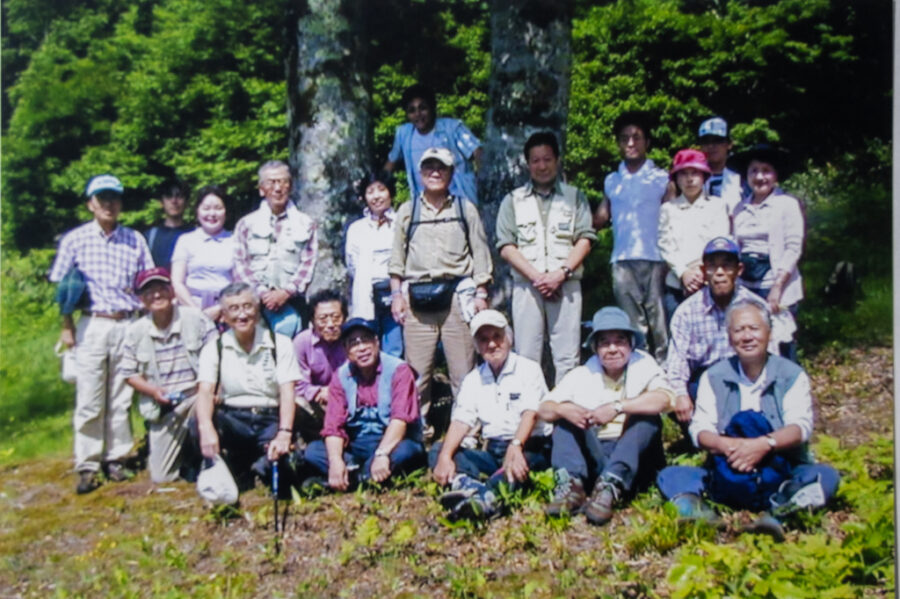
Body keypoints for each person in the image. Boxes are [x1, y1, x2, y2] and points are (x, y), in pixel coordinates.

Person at [657, 299, 840, 540]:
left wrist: (762, 445)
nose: (747, 336)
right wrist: (729, 446)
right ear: (729, 337)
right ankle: (704, 516)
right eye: (739, 330)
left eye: (754, 328)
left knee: (825, 476)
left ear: (768, 332)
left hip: (780, 469)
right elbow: (700, 429)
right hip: (729, 470)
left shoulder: (791, 374)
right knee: (669, 475)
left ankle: (779, 514)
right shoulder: (714, 376)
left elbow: (800, 427)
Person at [49, 174, 155, 494]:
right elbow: (62, 287)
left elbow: (148, 281)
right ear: (90, 204)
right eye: (102, 199)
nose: (109, 204)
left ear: (120, 203)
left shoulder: (135, 239)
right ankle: (88, 463)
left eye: (114, 198)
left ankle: (117, 457)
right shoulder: (75, 239)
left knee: (121, 396)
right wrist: (67, 328)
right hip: (93, 323)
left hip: (127, 323)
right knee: (90, 396)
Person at [539, 307, 674, 526]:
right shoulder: (583, 374)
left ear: (630, 344)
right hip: (598, 451)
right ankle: (571, 487)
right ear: (595, 348)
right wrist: (565, 410)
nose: (612, 349)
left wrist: (618, 406)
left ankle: (612, 485)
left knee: (647, 418)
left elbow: (665, 399)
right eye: (604, 342)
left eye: (619, 341)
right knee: (562, 419)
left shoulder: (644, 365)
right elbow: (543, 409)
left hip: (634, 458)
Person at [388, 147, 493, 425]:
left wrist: (481, 293)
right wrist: (396, 295)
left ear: (451, 172)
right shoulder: (407, 210)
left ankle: (468, 430)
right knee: (417, 373)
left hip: (457, 296)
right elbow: (396, 259)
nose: (435, 173)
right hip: (417, 299)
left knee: (464, 371)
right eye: (429, 168)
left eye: (441, 168)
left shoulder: (464, 208)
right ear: (420, 173)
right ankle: (416, 432)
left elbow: (481, 254)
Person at [430, 310, 552, 519]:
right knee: (438, 450)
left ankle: (481, 496)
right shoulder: (473, 379)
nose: (492, 344)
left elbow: (529, 413)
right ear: (477, 346)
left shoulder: (528, 369)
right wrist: (445, 457)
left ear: (509, 339)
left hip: (529, 446)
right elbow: (462, 420)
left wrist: (516, 445)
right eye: (484, 340)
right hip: (494, 450)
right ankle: (473, 489)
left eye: (497, 337)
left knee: (514, 471)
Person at [496, 131, 596, 385]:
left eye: (547, 159)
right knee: (527, 356)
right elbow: (506, 245)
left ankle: (566, 417)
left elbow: (585, 239)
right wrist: (538, 278)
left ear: (557, 160)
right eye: (536, 160)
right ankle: (531, 417)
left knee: (567, 357)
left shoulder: (575, 197)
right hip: (527, 286)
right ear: (528, 164)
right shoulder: (513, 200)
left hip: (566, 283)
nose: (542, 166)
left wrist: (560, 274)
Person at [665, 237, 793, 434]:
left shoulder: (756, 307)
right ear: (703, 271)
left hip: (746, 375)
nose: (719, 274)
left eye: (726, 266)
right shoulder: (687, 311)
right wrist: (681, 395)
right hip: (704, 380)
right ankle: (706, 439)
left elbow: (772, 358)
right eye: (712, 267)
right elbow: (676, 362)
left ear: (739, 270)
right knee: (678, 397)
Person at [194, 282, 300, 492]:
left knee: (284, 476)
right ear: (223, 315)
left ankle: (257, 464)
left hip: (269, 417)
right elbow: (205, 392)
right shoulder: (214, 348)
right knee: (197, 423)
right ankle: (219, 467)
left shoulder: (280, 344)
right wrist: (206, 429)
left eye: (247, 306)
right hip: (233, 419)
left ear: (257, 309)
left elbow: (288, 392)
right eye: (234, 309)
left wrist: (284, 433)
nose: (242, 315)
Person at [304, 318, 425, 490]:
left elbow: (400, 420)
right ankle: (364, 476)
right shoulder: (340, 376)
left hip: (392, 440)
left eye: (366, 340)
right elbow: (333, 426)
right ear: (346, 350)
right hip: (357, 444)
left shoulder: (399, 370)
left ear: (376, 342)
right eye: (353, 343)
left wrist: (382, 454)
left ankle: (352, 479)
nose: (361, 348)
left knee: (407, 451)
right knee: (313, 451)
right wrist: (336, 461)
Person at [121, 268, 217, 483]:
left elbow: (217, 356)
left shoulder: (196, 319)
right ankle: (185, 459)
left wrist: (210, 390)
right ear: (141, 299)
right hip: (164, 407)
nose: (156, 295)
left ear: (172, 292)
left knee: (209, 415)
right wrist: (153, 391)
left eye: (161, 289)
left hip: (197, 397)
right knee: (162, 477)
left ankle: (205, 460)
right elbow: (128, 373)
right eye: (149, 292)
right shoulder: (134, 331)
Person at [595, 111, 670, 363]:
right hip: (622, 260)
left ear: (647, 142)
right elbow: (601, 217)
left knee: (660, 324)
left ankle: (666, 379)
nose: (630, 143)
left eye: (636, 138)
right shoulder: (611, 180)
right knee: (634, 326)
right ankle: (640, 372)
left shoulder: (661, 178)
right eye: (624, 138)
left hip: (656, 259)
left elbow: (674, 219)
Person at [731, 144, 804, 359]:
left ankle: (789, 391)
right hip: (747, 287)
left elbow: (793, 246)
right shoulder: (739, 209)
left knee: (782, 348)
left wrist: (777, 286)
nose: (760, 177)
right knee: (753, 346)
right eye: (754, 171)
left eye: (766, 171)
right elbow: (737, 247)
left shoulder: (787, 205)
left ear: (775, 175)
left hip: (777, 287)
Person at [233, 160, 317, 338]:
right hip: (254, 302)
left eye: (283, 182)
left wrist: (286, 292)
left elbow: (308, 263)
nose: (278, 188)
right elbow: (240, 263)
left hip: (294, 302)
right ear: (261, 189)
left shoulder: (306, 223)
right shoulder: (246, 224)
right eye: (271, 182)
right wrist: (262, 293)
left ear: (291, 186)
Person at [658, 148, 730, 320]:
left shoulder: (717, 206)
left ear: (704, 176)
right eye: (683, 174)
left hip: (708, 282)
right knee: (678, 335)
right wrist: (684, 273)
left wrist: (699, 272)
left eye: (695, 173)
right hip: (677, 283)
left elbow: (720, 241)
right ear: (676, 178)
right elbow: (664, 245)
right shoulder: (668, 209)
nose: (689, 179)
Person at [384, 83, 483, 203]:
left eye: (423, 108)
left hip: (459, 200)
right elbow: (390, 164)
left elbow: (477, 151)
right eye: (412, 110)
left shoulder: (452, 128)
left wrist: (482, 182)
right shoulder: (404, 134)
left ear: (432, 108)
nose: (418, 114)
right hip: (423, 205)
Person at [345, 170, 403, 356]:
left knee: (395, 348)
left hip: (397, 295)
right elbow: (351, 263)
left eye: (381, 190)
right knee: (368, 348)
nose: (376, 196)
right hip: (367, 296)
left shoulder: (401, 223)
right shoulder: (356, 229)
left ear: (390, 193)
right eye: (370, 191)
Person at [170, 185, 235, 323]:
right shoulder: (185, 240)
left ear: (226, 212)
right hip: (189, 309)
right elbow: (177, 282)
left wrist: (221, 308)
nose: (212, 214)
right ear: (197, 211)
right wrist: (197, 314)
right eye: (206, 208)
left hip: (226, 312)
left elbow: (240, 283)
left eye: (218, 208)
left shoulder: (235, 240)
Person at [292, 289, 348, 444]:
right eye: (323, 319)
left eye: (336, 318)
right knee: (295, 402)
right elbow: (298, 384)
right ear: (312, 320)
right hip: (316, 402)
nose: (330, 324)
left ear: (344, 317)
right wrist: (319, 392)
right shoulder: (302, 342)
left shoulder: (352, 340)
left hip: (348, 399)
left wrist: (335, 392)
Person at [144, 181, 193, 270]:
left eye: (179, 196)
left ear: (187, 203)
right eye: (169, 196)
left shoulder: (195, 234)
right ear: (161, 202)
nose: (174, 201)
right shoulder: (150, 236)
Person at [697, 117, 743, 212]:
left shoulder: (742, 177)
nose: (711, 146)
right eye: (706, 142)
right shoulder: (693, 176)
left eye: (717, 140)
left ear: (729, 144)